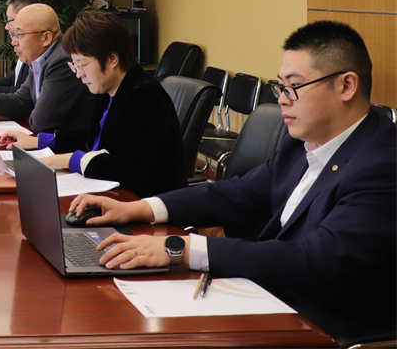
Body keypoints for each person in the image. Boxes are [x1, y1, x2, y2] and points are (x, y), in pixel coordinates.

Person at [68, 21, 397, 342]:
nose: (282, 99)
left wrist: (181, 249)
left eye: (294, 87)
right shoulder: (302, 142)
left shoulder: (383, 164)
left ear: (346, 86)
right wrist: (138, 208)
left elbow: (314, 259)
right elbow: (239, 193)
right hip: (268, 297)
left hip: (324, 325)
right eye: (280, 87)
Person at [2, 9, 184, 198]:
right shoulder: (110, 87)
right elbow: (94, 135)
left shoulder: (143, 97)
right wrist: (39, 141)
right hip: (113, 195)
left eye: (82, 64)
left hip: (143, 203)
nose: (79, 74)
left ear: (112, 59)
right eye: (74, 65)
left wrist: (69, 160)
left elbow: (128, 170)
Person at [0, 3, 93, 133]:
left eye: (19, 35)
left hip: (70, 148)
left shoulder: (61, 60)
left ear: (46, 38)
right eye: (13, 35)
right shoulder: (41, 57)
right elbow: (21, 102)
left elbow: (41, 122)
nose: (13, 42)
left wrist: (29, 111)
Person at [0, 0, 41, 94]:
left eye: (9, 20)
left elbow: (23, 93)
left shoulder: (36, 51)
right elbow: (13, 79)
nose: (6, 27)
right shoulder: (22, 46)